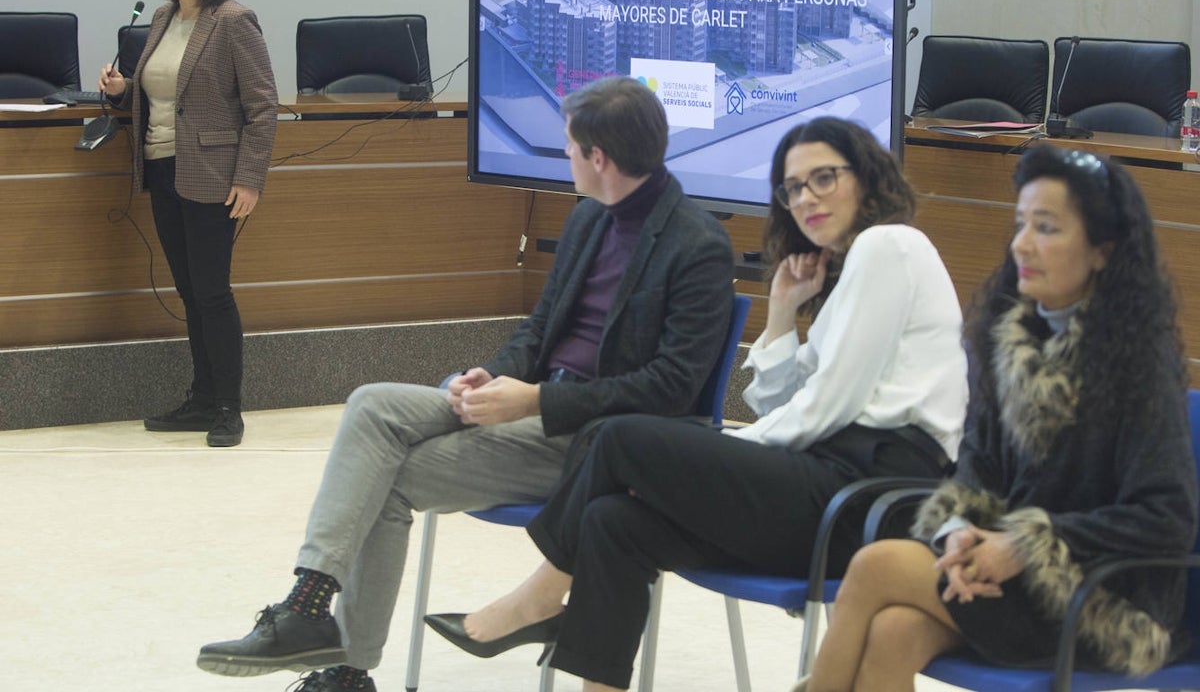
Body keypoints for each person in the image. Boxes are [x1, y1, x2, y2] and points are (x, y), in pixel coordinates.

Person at [195, 76, 735, 692]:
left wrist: (535, 400)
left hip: (596, 445)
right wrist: (495, 377)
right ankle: (309, 606)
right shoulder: (590, 218)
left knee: (384, 479)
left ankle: (346, 669)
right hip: (533, 406)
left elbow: (671, 389)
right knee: (372, 405)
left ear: (599, 158)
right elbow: (540, 329)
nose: (564, 156)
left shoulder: (698, 244)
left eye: (569, 146)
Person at [424, 117, 969, 692]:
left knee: (619, 436)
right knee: (614, 522)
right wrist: (782, 313)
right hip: (824, 486)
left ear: (867, 177)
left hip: (871, 499)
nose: (806, 198)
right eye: (793, 187)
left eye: (824, 179)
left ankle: (536, 597)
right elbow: (791, 404)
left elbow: (828, 407)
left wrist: (726, 446)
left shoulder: (891, 245)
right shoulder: (849, 268)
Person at [801, 145, 1199, 692]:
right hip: (1011, 579)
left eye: (1047, 228)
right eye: (1020, 224)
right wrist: (960, 533)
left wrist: (1025, 545)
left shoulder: (1139, 363)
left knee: (875, 567)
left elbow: (1166, 518)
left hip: (1104, 600)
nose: (1022, 245)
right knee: (894, 631)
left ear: (1103, 251)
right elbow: (978, 465)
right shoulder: (1010, 338)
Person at [98, 0, 278, 448]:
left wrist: (249, 179)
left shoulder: (233, 22)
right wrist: (123, 88)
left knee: (212, 292)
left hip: (214, 177)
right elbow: (167, 92)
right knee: (188, 292)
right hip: (162, 169)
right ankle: (201, 399)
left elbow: (262, 108)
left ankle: (228, 408)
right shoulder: (162, 17)